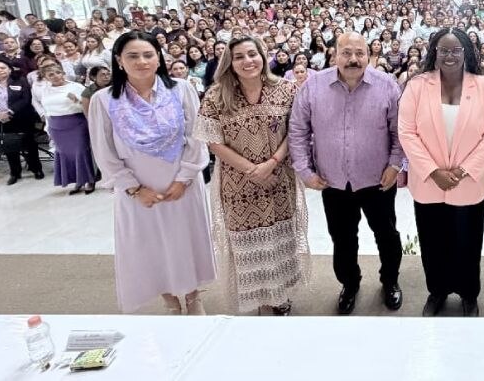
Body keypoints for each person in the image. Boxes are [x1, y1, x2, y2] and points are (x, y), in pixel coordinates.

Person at [88, 32, 215, 314]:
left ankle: (193, 296)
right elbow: (103, 149)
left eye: (148, 55)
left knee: (186, 241)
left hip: (182, 182)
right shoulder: (103, 99)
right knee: (149, 245)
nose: (142, 61)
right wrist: (134, 188)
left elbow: (197, 136)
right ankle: (169, 300)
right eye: (132, 56)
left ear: (159, 58)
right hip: (137, 189)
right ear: (119, 61)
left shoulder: (181, 89)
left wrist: (184, 179)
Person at [289, 32, 405, 314]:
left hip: (378, 180)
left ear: (369, 55)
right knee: (342, 239)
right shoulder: (313, 86)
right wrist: (305, 170)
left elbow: (400, 131)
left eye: (359, 53)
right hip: (333, 182)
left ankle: (390, 280)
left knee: (387, 235)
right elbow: (298, 130)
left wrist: (394, 165)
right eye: (346, 53)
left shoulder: (387, 86)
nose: (353, 59)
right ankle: (350, 284)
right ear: (334, 55)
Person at [195, 37, 309, 316]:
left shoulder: (285, 89)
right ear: (229, 63)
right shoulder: (216, 96)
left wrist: (271, 163)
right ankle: (258, 296)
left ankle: (280, 295)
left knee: (280, 237)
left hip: (278, 179)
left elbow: (295, 131)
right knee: (249, 242)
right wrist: (252, 170)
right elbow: (213, 141)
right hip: (238, 185)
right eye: (239, 56)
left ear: (263, 56)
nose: (247, 61)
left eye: (252, 54)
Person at [398, 28, 484, 317]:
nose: (450, 55)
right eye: (443, 50)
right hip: (428, 183)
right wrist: (433, 171)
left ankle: (469, 294)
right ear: (434, 52)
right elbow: (407, 132)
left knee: (468, 242)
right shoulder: (417, 85)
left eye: (456, 50)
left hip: (468, 183)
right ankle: (438, 291)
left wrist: (464, 170)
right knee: (432, 242)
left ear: (466, 52)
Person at [0, 56, 43, 185]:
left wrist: (10, 111)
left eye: (3, 67)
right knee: (9, 147)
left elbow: (25, 98)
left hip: (22, 117)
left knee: (30, 144)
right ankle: (15, 173)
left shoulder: (20, 80)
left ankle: (36, 169)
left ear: (9, 69)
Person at [35, 64, 95, 194]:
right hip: (56, 126)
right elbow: (47, 109)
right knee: (65, 154)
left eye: (58, 73)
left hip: (76, 123)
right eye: (51, 75)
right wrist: (48, 127)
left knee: (81, 152)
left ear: (63, 73)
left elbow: (88, 106)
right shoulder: (46, 90)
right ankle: (78, 181)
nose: (56, 76)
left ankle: (89, 180)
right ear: (46, 78)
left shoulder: (76, 86)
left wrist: (77, 101)